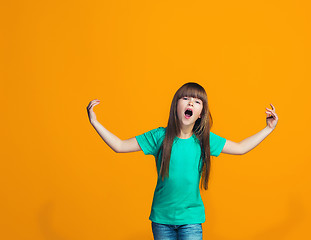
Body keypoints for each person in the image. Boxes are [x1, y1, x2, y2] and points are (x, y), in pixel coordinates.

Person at [86, 82, 278, 240]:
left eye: (197, 101)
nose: (191, 103)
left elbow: (240, 148)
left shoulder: (204, 140)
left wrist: (268, 129)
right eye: (185, 98)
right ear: (176, 106)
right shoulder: (159, 137)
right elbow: (119, 145)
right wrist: (95, 122)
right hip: (161, 219)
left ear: (201, 113)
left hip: (191, 220)